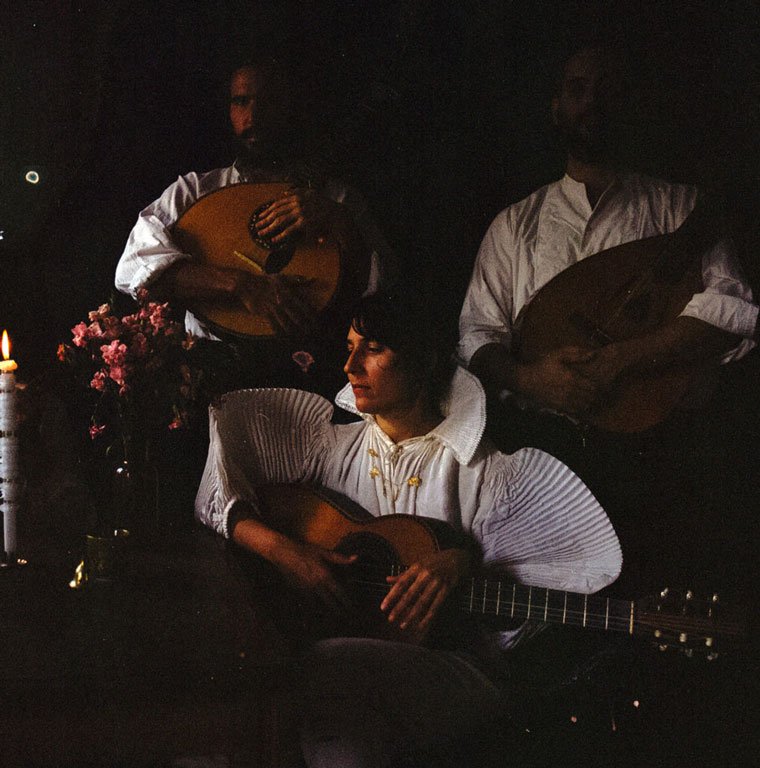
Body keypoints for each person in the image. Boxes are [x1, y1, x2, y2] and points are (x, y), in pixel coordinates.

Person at [195, 289, 623, 767]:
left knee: (319, 665)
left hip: (451, 673)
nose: (350, 366)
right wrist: (284, 552)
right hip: (347, 680)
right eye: (349, 348)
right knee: (339, 742)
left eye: (373, 349)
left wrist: (462, 561)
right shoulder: (328, 446)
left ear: (423, 361)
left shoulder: (482, 471)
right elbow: (218, 486)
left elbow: (554, 580)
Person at [457, 43, 758, 596]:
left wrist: (621, 359)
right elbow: (477, 335)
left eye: (609, 90)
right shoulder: (514, 225)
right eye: (578, 89)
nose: (592, 103)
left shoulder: (684, 211)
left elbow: (734, 312)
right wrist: (529, 378)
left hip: (657, 459)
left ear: (633, 106)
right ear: (555, 108)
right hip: (539, 457)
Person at [115, 57, 394, 396]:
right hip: (212, 372)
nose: (254, 116)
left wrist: (337, 220)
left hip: (312, 375)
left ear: (291, 108)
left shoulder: (335, 199)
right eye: (241, 101)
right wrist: (242, 286)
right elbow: (131, 269)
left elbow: (386, 289)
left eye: (269, 101)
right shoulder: (194, 192)